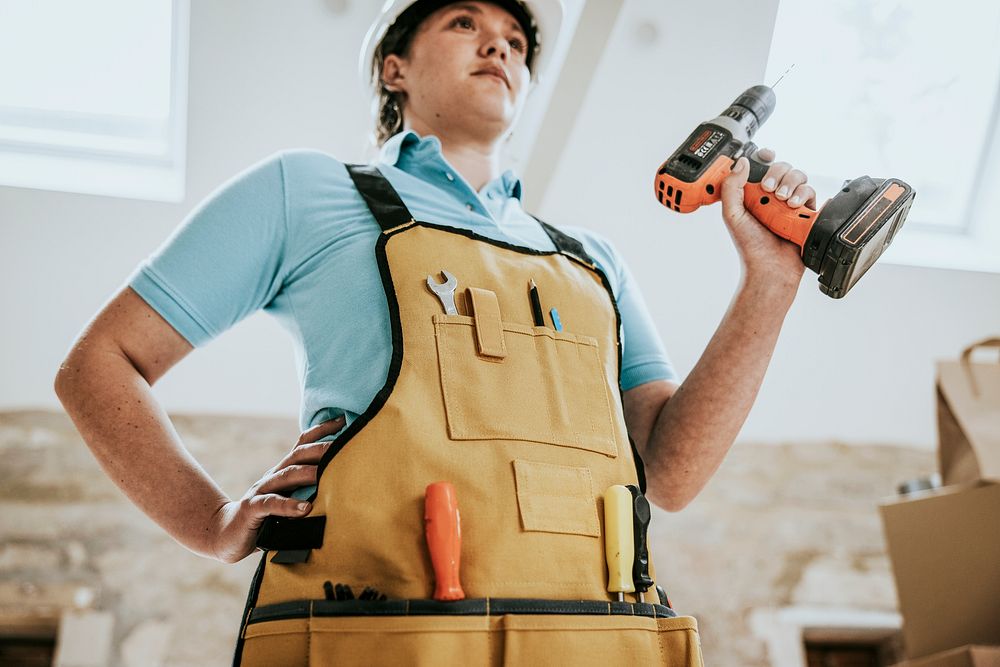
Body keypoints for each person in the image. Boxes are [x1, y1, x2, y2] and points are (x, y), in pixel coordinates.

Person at [54, 0, 815, 664]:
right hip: (383, 634)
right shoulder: (306, 192)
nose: (500, 47)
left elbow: (672, 473)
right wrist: (212, 521)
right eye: (465, 24)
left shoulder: (591, 261)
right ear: (394, 69)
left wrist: (770, 283)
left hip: (595, 638)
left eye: (516, 42)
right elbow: (99, 363)